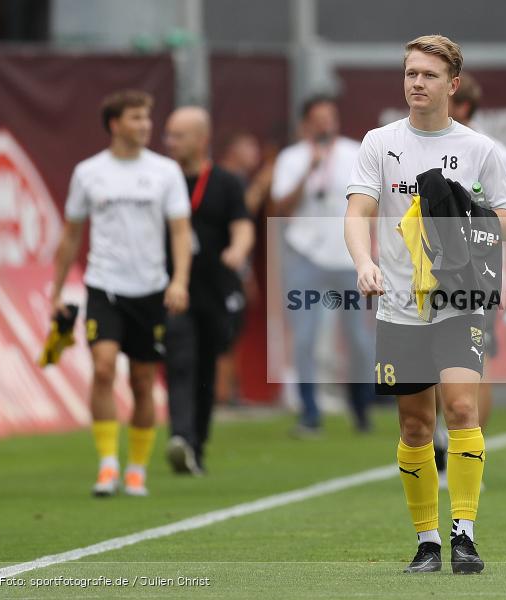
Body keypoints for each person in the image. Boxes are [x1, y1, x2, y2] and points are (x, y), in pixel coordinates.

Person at [345, 35, 506, 574]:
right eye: (410, 73)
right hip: (399, 302)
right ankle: (426, 542)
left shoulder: (479, 149)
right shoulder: (379, 142)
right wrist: (363, 262)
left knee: (462, 407)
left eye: (427, 74)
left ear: (453, 84)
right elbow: (358, 212)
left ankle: (464, 533)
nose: (416, 83)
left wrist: (468, 212)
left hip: (460, 299)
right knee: (416, 425)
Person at [49, 89, 192, 497]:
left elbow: (181, 231)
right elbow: (71, 233)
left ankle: (137, 469)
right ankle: (108, 464)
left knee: (144, 381)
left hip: (149, 290)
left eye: (146, 118)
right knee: (104, 368)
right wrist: (56, 292)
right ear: (115, 124)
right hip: (104, 286)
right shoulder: (89, 172)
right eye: (135, 118)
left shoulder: (165, 172)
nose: (145, 125)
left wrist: (179, 280)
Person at [431, 71, 506, 479]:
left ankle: (468, 461)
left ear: (462, 105)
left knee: (476, 363)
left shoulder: (494, 153)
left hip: (478, 276)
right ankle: (441, 442)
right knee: (435, 365)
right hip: (431, 276)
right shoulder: (421, 146)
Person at [272, 95, 375, 436]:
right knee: (304, 338)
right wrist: (309, 169)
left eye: (329, 117)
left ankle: (360, 406)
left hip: (348, 258)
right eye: (317, 118)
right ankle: (310, 412)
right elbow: (282, 206)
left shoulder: (356, 152)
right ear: (305, 124)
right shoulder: (292, 158)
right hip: (305, 256)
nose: (324, 124)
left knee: (358, 338)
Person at [163, 107, 255, 474]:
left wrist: (238, 249)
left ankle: (196, 443)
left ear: (202, 139)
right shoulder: (160, 178)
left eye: (178, 135)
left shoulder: (225, 182)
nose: (170, 142)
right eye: (168, 134)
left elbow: (243, 225)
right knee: (179, 360)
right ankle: (180, 436)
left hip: (215, 288)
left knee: (204, 365)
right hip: (173, 285)